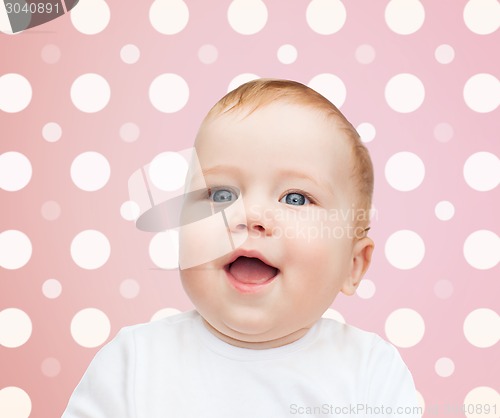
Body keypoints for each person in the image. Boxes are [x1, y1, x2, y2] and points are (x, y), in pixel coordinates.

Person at [62, 79, 421, 417]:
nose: (250, 216)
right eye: (221, 194)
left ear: (353, 265)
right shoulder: (134, 361)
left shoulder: (370, 370)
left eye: (295, 198)